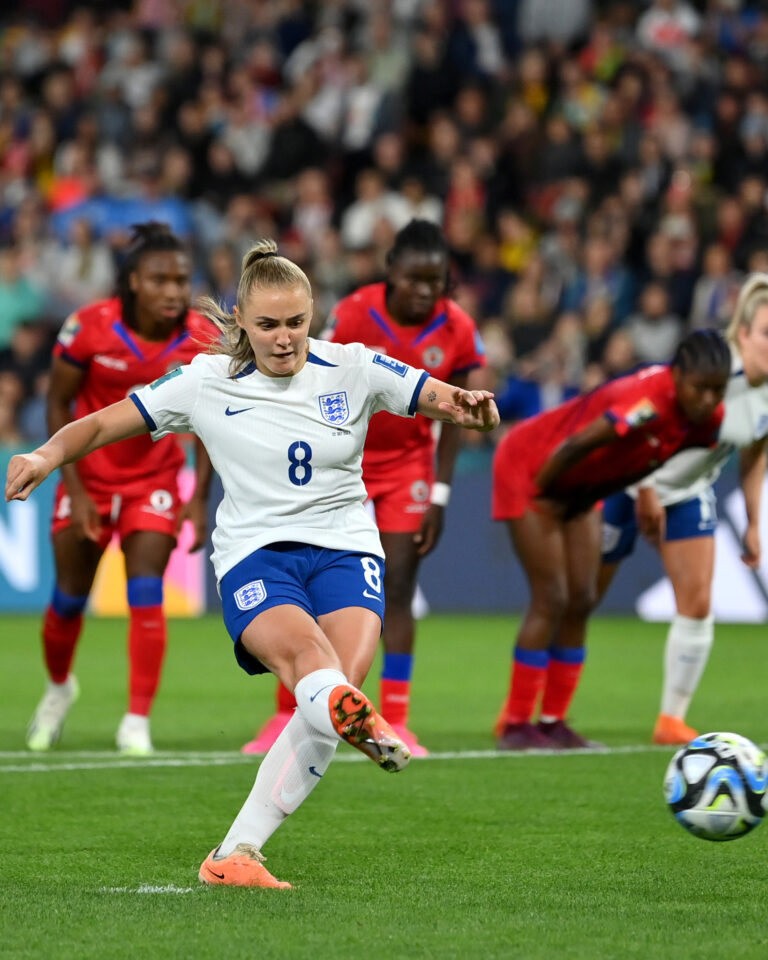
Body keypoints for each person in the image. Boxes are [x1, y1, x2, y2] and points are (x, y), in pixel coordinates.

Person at [5, 240, 499, 888]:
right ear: (240, 319)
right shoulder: (204, 381)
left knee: (327, 702)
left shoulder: (352, 367)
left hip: (348, 548)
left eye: (296, 322)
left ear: (313, 314)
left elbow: (434, 395)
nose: (285, 338)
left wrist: (468, 404)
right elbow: (101, 424)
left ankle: (235, 854)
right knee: (313, 673)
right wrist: (45, 457)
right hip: (257, 555)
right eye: (267, 324)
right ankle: (339, 732)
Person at [241, 219, 487, 757]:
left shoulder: (459, 328)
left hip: (406, 471)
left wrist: (441, 495)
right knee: (300, 593)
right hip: (337, 463)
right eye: (415, 278)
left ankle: (395, 716)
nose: (425, 289)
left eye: (436, 279)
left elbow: (456, 413)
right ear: (391, 271)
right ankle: (286, 716)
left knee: (396, 586)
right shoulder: (353, 312)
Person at [491, 329, 731, 750]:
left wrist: (616, 493)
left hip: (586, 486)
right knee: (552, 598)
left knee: (582, 598)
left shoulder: (707, 419)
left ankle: (553, 722)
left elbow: (658, 460)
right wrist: (551, 496)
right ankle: (514, 724)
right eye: (700, 389)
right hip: (534, 467)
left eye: (718, 390)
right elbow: (578, 443)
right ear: (677, 376)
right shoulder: (646, 402)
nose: (709, 400)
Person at [26, 222, 215, 756]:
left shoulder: (199, 337)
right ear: (133, 281)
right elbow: (58, 403)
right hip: (88, 478)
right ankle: (60, 688)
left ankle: (136, 720)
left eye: (181, 279)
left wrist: (198, 495)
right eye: (161, 279)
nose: (175, 291)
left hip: (152, 481)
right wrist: (77, 488)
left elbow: (209, 420)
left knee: (147, 592)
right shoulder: (87, 328)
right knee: (67, 600)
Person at [599, 275, 768, 746]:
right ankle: (535, 715)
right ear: (743, 334)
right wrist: (647, 487)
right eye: (767, 333)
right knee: (581, 598)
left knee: (697, 603)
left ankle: (671, 720)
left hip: (690, 492)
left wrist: (754, 521)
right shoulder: (717, 373)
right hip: (629, 481)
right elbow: (648, 416)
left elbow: (755, 456)